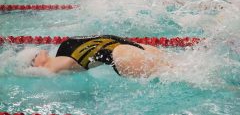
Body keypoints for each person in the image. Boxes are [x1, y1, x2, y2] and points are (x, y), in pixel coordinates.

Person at [29, 35, 170, 78]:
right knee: (175, 69)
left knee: (171, 73)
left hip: (123, 52)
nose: (35, 54)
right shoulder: (56, 59)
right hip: (130, 49)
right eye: (32, 59)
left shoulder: (61, 53)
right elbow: (48, 70)